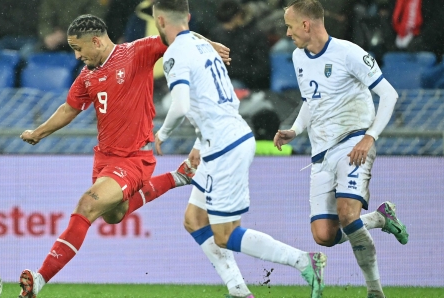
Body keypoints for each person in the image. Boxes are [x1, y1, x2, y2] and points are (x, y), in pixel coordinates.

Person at [17, 14, 231, 298]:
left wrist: (208, 46)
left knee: (87, 205)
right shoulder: (87, 76)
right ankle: (180, 176)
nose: (77, 55)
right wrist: (39, 132)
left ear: (96, 41)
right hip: (104, 159)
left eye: (79, 48)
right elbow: (69, 108)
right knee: (114, 216)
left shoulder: (136, 52)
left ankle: (39, 279)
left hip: (134, 159)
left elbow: (177, 36)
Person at [152, 1, 326, 298]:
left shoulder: (176, 54)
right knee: (194, 220)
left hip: (224, 146)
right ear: (189, 17)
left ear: (159, 21)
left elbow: (180, 105)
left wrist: (163, 132)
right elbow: (213, 101)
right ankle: (238, 289)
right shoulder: (204, 47)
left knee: (226, 235)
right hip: (220, 139)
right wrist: (198, 144)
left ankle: (302, 260)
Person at [274, 1, 409, 297]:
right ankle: (378, 218)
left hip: (354, 141)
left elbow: (389, 94)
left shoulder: (349, 53)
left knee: (347, 215)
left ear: (306, 25)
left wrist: (370, 136)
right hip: (321, 153)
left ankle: (375, 291)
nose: (287, 32)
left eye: (290, 25)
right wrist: (295, 130)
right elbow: (312, 101)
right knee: (324, 236)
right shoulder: (298, 57)